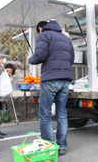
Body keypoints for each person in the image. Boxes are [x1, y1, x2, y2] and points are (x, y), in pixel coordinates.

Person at [28, 20, 74, 155]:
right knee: (62, 113)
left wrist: (30, 59)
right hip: (65, 80)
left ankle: (49, 147)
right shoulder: (66, 39)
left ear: (42, 28)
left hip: (50, 80)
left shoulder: (44, 35)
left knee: (45, 114)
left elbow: (40, 56)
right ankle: (62, 145)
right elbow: (71, 59)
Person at [0, 63, 16, 139]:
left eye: (10, 73)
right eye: (7, 71)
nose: (8, 73)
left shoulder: (6, 79)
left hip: (1, 98)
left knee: (0, 113)